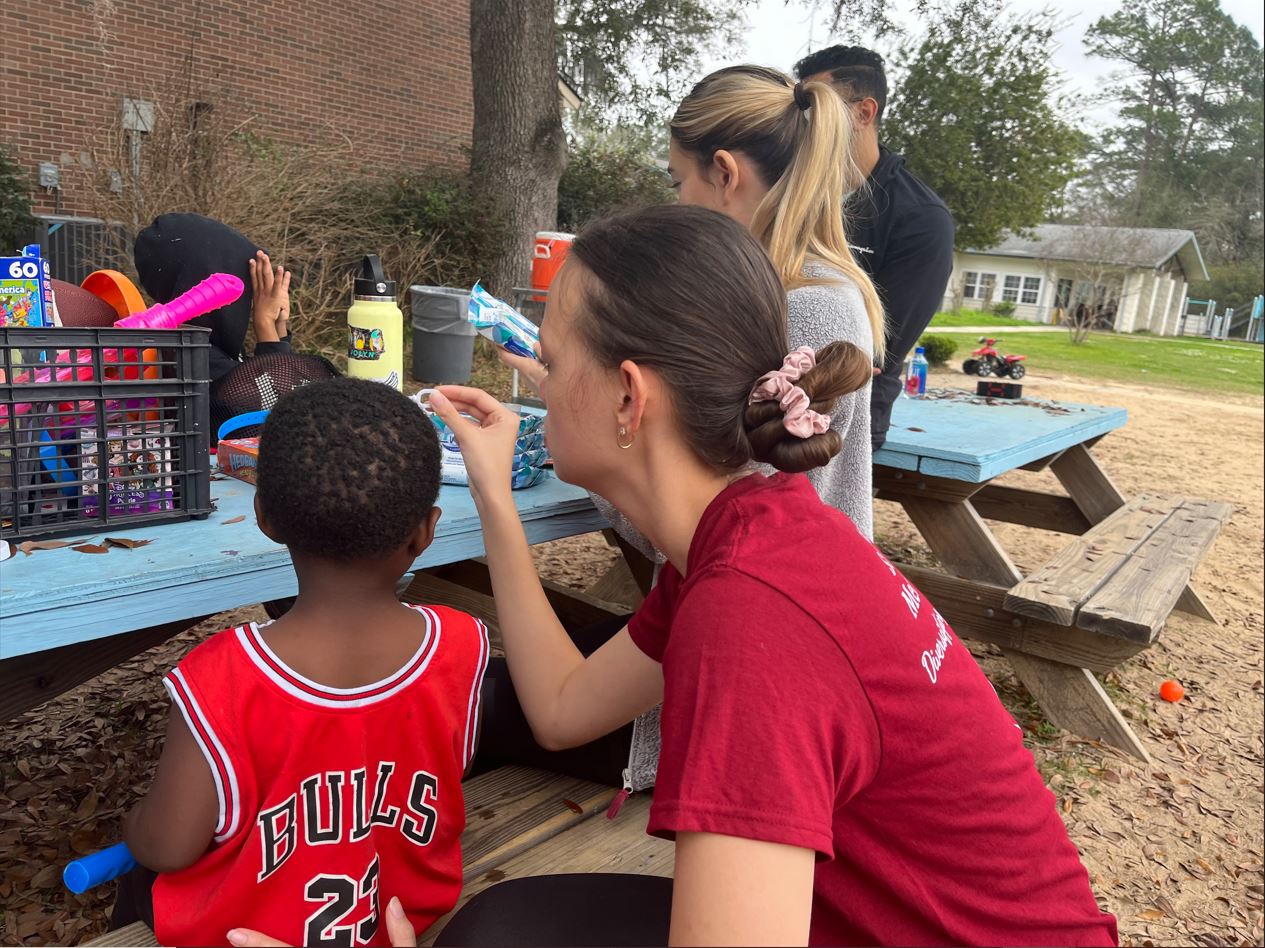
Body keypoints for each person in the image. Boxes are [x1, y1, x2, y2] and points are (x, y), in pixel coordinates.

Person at [410, 206, 1115, 945]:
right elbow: (560, 711)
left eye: (551, 362)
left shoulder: (750, 614)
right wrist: (493, 492)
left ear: (628, 396)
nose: (540, 387)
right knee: (506, 930)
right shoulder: (746, 533)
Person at [113, 377, 490, 946]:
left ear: (266, 518)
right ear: (426, 532)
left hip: (249, 933)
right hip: (404, 920)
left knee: (141, 883)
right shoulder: (461, 644)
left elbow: (168, 846)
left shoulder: (219, 679)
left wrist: (131, 824)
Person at [509, 65, 883, 541]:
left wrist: (574, 419)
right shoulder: (805, 292)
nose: (677, 203)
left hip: (763, 602)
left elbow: (693, 521)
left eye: (677, 182)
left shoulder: (800, 310)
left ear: (725, 174)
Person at [794, 45, 956, 451]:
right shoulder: (787, 196)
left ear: (864, 113)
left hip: (845, 429)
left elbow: (879, 351)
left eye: (816, 107)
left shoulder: (920, 219)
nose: (802, 123)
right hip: (760, 408)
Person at [133, 213, 295, 383]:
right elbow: (279, 403)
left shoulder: (216, 350)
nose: (252, 298)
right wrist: (265, 324)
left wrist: (278, 327)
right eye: (239, 284)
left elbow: (295, 390)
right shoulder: (190, 355)